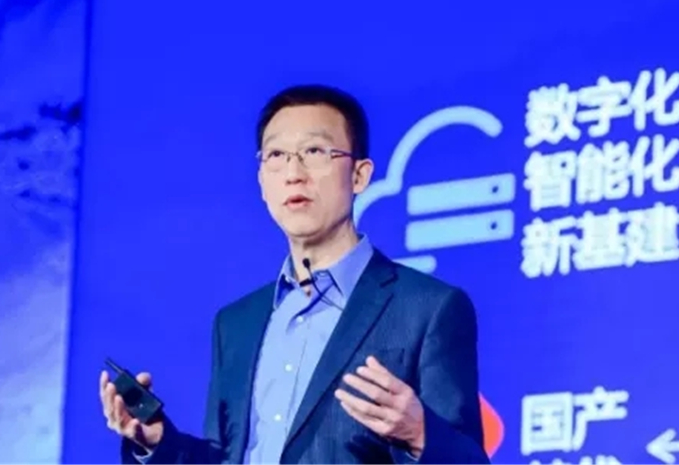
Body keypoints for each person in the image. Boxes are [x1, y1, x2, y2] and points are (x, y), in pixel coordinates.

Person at [99, 84, 489, 464]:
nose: (293, 173)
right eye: (276, 155)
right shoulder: (235, 324)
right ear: (262, 182)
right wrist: (158, 444)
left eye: (314, 151)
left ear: (359, 175)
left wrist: (420, 435)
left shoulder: (427, 307)